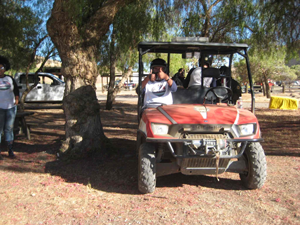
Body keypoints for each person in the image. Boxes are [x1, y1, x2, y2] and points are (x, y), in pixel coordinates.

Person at [0, 56, 19, 159]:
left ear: (5, 68)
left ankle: (10, 150)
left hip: (10, 108)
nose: (0, 70)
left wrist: (16, 100)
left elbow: (16, 90)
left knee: (9, 128)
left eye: (1, 67)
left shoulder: (9, 78)